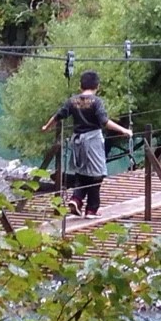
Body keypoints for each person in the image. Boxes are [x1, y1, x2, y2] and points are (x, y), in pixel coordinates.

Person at [41, 71, 132, 218]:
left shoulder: (72, 101)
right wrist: (124, 130)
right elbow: (104, 121)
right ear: (97, 86)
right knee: (97, 174)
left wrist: (47, 126)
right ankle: (91, 210)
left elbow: (58, 115)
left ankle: (76, 199)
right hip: (93, 140)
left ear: (80, 86)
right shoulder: (96, 101)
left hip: (77, 141)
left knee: (82, 173)